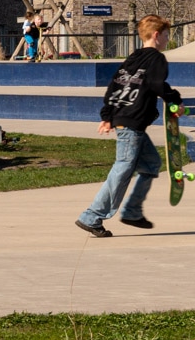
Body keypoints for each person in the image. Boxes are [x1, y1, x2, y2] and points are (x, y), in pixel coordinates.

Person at [76, 14, 181, 237]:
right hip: (131, 124)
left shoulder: (132, 59)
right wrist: (174, 100)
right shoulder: (157, 59)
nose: (167, 40)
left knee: (152, 164)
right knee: (122, 169)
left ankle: (132, 211)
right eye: (165, 35)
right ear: (156, 36)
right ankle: (92, 216)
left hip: (129, 122)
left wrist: (107, 115)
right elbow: (156, 84)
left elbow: (114, 86)